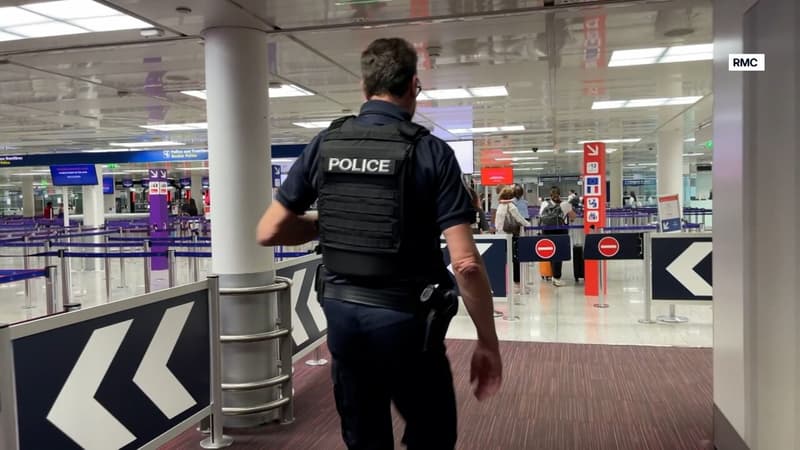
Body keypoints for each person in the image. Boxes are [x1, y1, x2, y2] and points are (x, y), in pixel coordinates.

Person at [256, 37, 502, 450]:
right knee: (433, 433)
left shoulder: (325, 144)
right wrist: (487, 343)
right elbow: (466, 264)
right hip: (408, 324)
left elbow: (268, 231)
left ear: (363, 87)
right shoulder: (432, 152)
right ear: (414, 87)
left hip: (344, 321)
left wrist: (330, 222)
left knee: (365, 436)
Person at [495, 186, 531, 293]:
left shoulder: (500, 206)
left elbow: (497, 223)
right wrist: (528, 224)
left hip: (501, 236)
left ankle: (503, 284)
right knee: (515, 260)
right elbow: (519, 219)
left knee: (504, 260)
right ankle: (517, 284)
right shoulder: (511, 206)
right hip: (512, 235)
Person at [539, 186, 576, 287]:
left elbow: (541, 217)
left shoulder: (544, 203)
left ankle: (552, 275)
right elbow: (573, 217)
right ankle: (557, 277)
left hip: (547, 231)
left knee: (551, 253)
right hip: (560, 231)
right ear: (560, 194)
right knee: (559, 255)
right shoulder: (565, 204)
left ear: (550, 195)